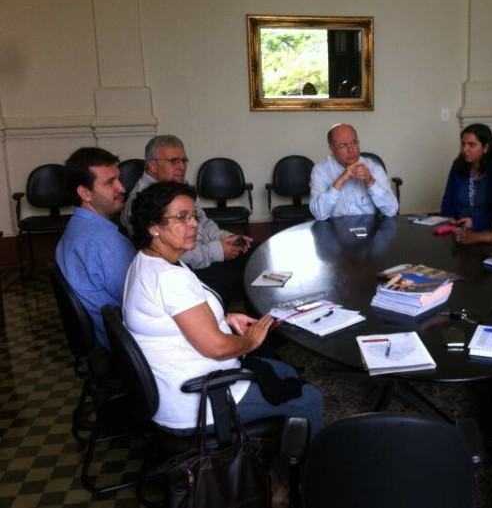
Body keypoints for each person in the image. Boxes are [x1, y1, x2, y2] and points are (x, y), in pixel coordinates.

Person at [122, 181, 323, 438]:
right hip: (199, 401)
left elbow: (177, 317)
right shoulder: (168, 278)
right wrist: (249, 342)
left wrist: (225, 318)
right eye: (181, 217)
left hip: (181, 386)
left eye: (193, 215)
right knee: (310, 399)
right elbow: (216, 347)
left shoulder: (149, 261)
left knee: (284, 371)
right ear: (153, 227)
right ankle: (292, 474)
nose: (194, 224)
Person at [121, 135, 251, 306]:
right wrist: (218, 250)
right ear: (152, 165)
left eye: (184, 160)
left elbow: (203, 222)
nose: (181, 166)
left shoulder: (178, 187)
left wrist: (226, 238)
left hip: (204, 253)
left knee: (255, 252)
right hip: (188, 266)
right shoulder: (143, 202)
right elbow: (171, 257)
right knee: (248, 278)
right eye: (174, 161)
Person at [56, 148, 136, 349]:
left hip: (107, 339)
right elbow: (140, 303)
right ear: (85, 193)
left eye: (118, 179)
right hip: (126, 344)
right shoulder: (104, 242)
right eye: (110, 183)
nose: (122, 188)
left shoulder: (75, 228)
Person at [309, 123, 398, 220]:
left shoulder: (374, 167)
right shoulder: (320, 170)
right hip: (335, 229)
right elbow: (319, 214)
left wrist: (370, 181)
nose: (351, 150)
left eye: (354, 143)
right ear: (332, 149)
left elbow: (392, 210)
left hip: (370, 228)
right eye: (343, 145)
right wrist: (340, 180)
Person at [440, 123, 492, 231]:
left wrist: (475, 223)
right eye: (463, 144)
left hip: (489, 232)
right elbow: (447, 200)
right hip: (458, 229)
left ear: (485, 147)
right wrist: (450, 218)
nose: (465, 149)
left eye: (471, 145)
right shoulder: (458, 165)